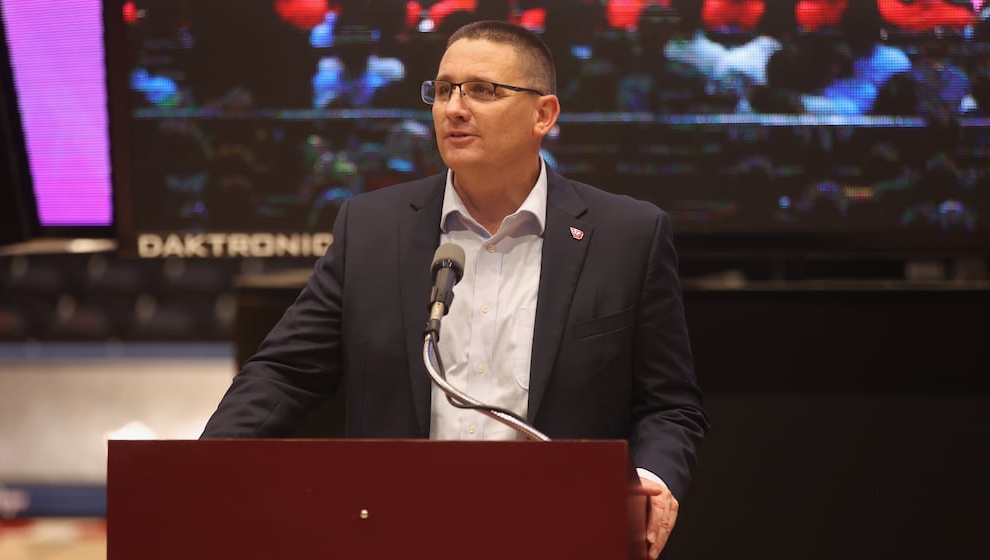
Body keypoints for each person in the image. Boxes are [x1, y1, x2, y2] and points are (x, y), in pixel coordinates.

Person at [201, 20, 709, 559]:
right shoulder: (373, 228)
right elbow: (286, 371)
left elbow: (669, 403)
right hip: (397, 533)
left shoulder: (627, 234)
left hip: (558, 531)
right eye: (443, 90)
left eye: (483, 91)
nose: (454, 108)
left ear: (545, 114)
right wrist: (201, 467)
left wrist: (653, 475)